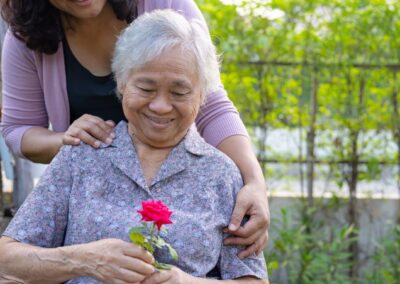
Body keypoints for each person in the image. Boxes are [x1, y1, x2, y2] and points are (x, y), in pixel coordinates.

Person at [0, 10, 269, 283]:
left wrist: (187, 282)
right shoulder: (81, 156)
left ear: (202, 97)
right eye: (146, 88)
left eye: (179, 92)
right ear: (122, 83)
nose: (161, 106)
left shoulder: (222, 175)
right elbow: (7, 261)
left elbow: (253, 279)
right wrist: (85, 260)